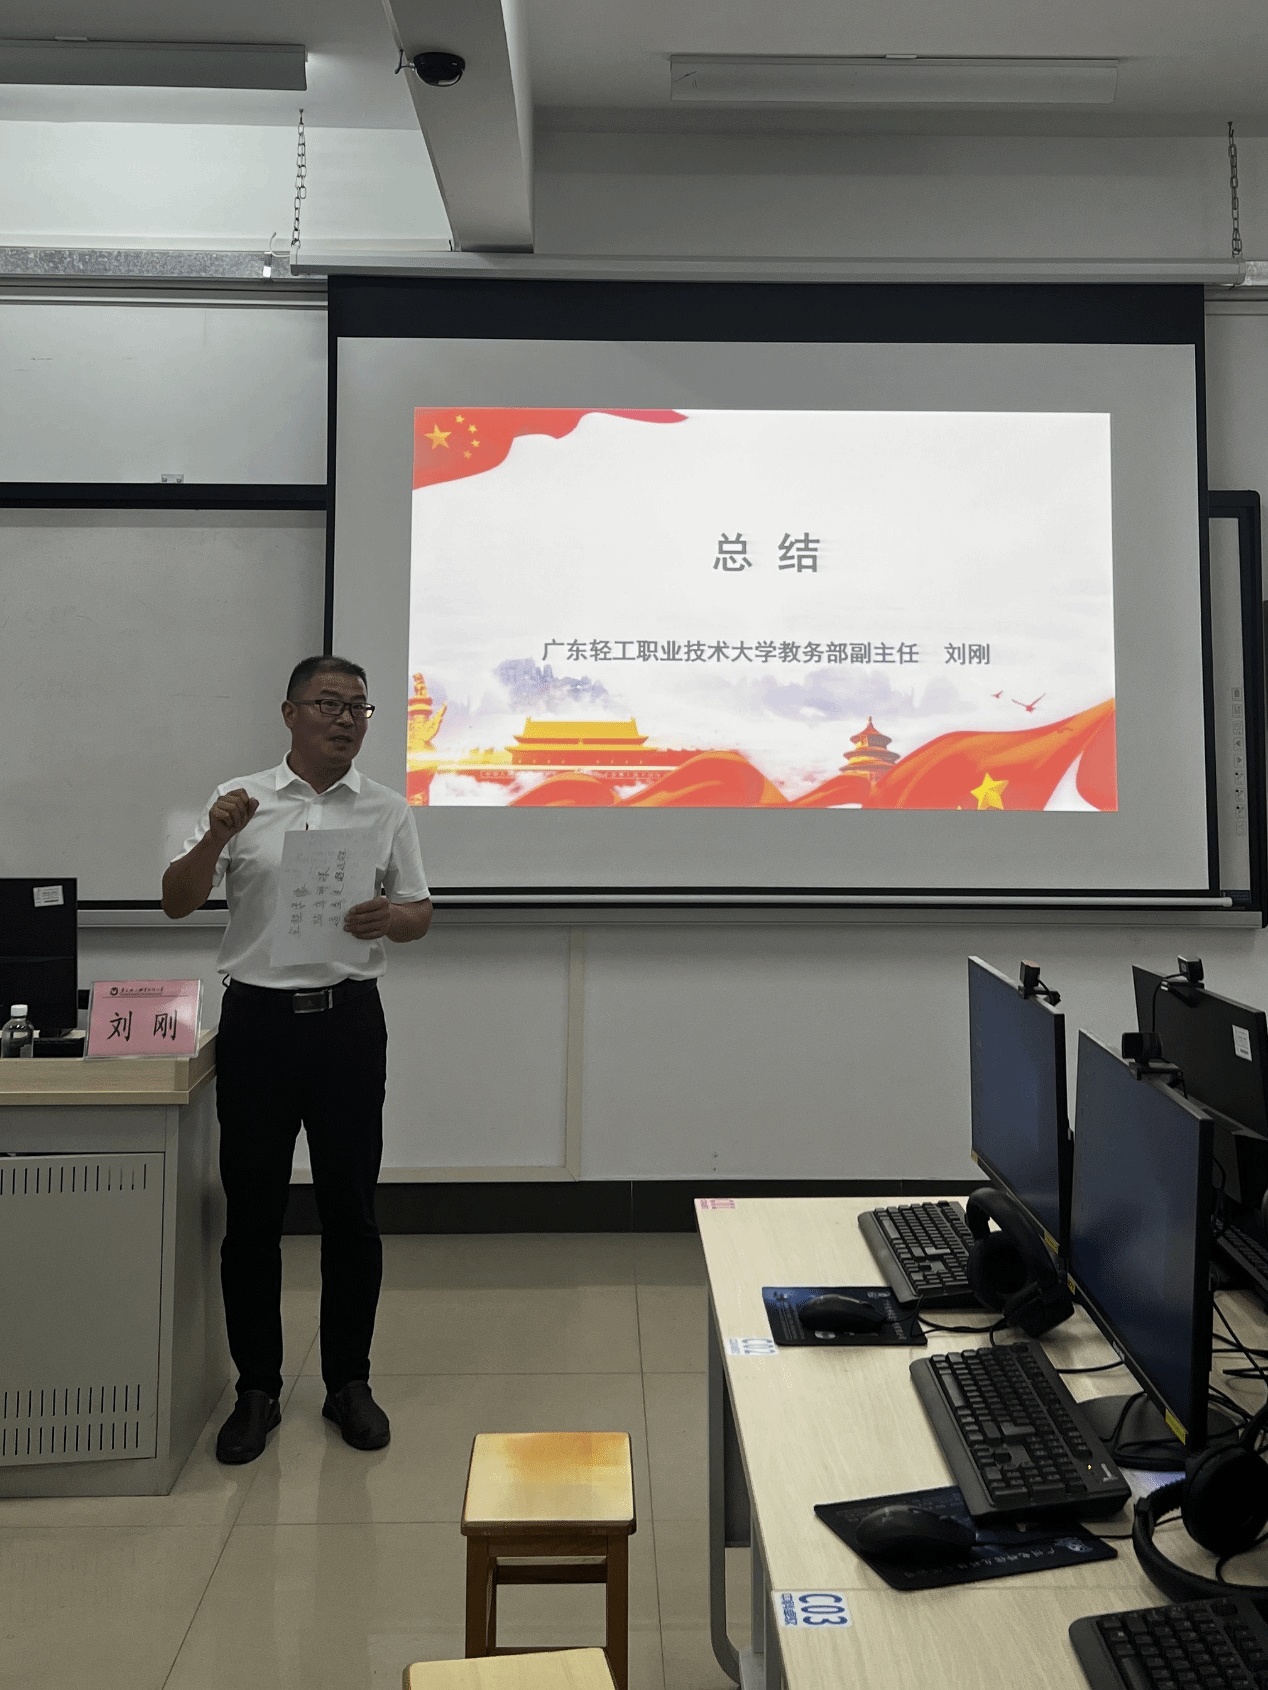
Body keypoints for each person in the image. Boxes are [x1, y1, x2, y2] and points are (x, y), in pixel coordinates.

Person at [162, 656, 432, 1464]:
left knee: (351, 1212)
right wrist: (217, 834)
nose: (346, 720)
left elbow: (419, 912)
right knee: (253, 1216)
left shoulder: (386, 808)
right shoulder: (239, 800)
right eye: (328, 704)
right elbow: (176, 900)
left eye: (359, 708)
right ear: (290, 713)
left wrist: (392, 919)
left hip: (347, 1024)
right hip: (259, 1025)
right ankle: (257, 1389)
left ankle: (349, 1382)